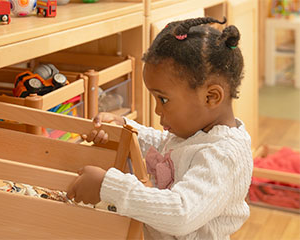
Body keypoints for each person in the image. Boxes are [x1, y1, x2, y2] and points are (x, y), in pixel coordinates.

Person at [66, 17, 253, 239]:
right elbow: (168, 149)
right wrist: (126, 128)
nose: (156, 110)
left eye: (162, 99)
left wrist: (109, 186)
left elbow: (180, 214)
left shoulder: (223, 156)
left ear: (211, 97)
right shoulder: (195, 133)